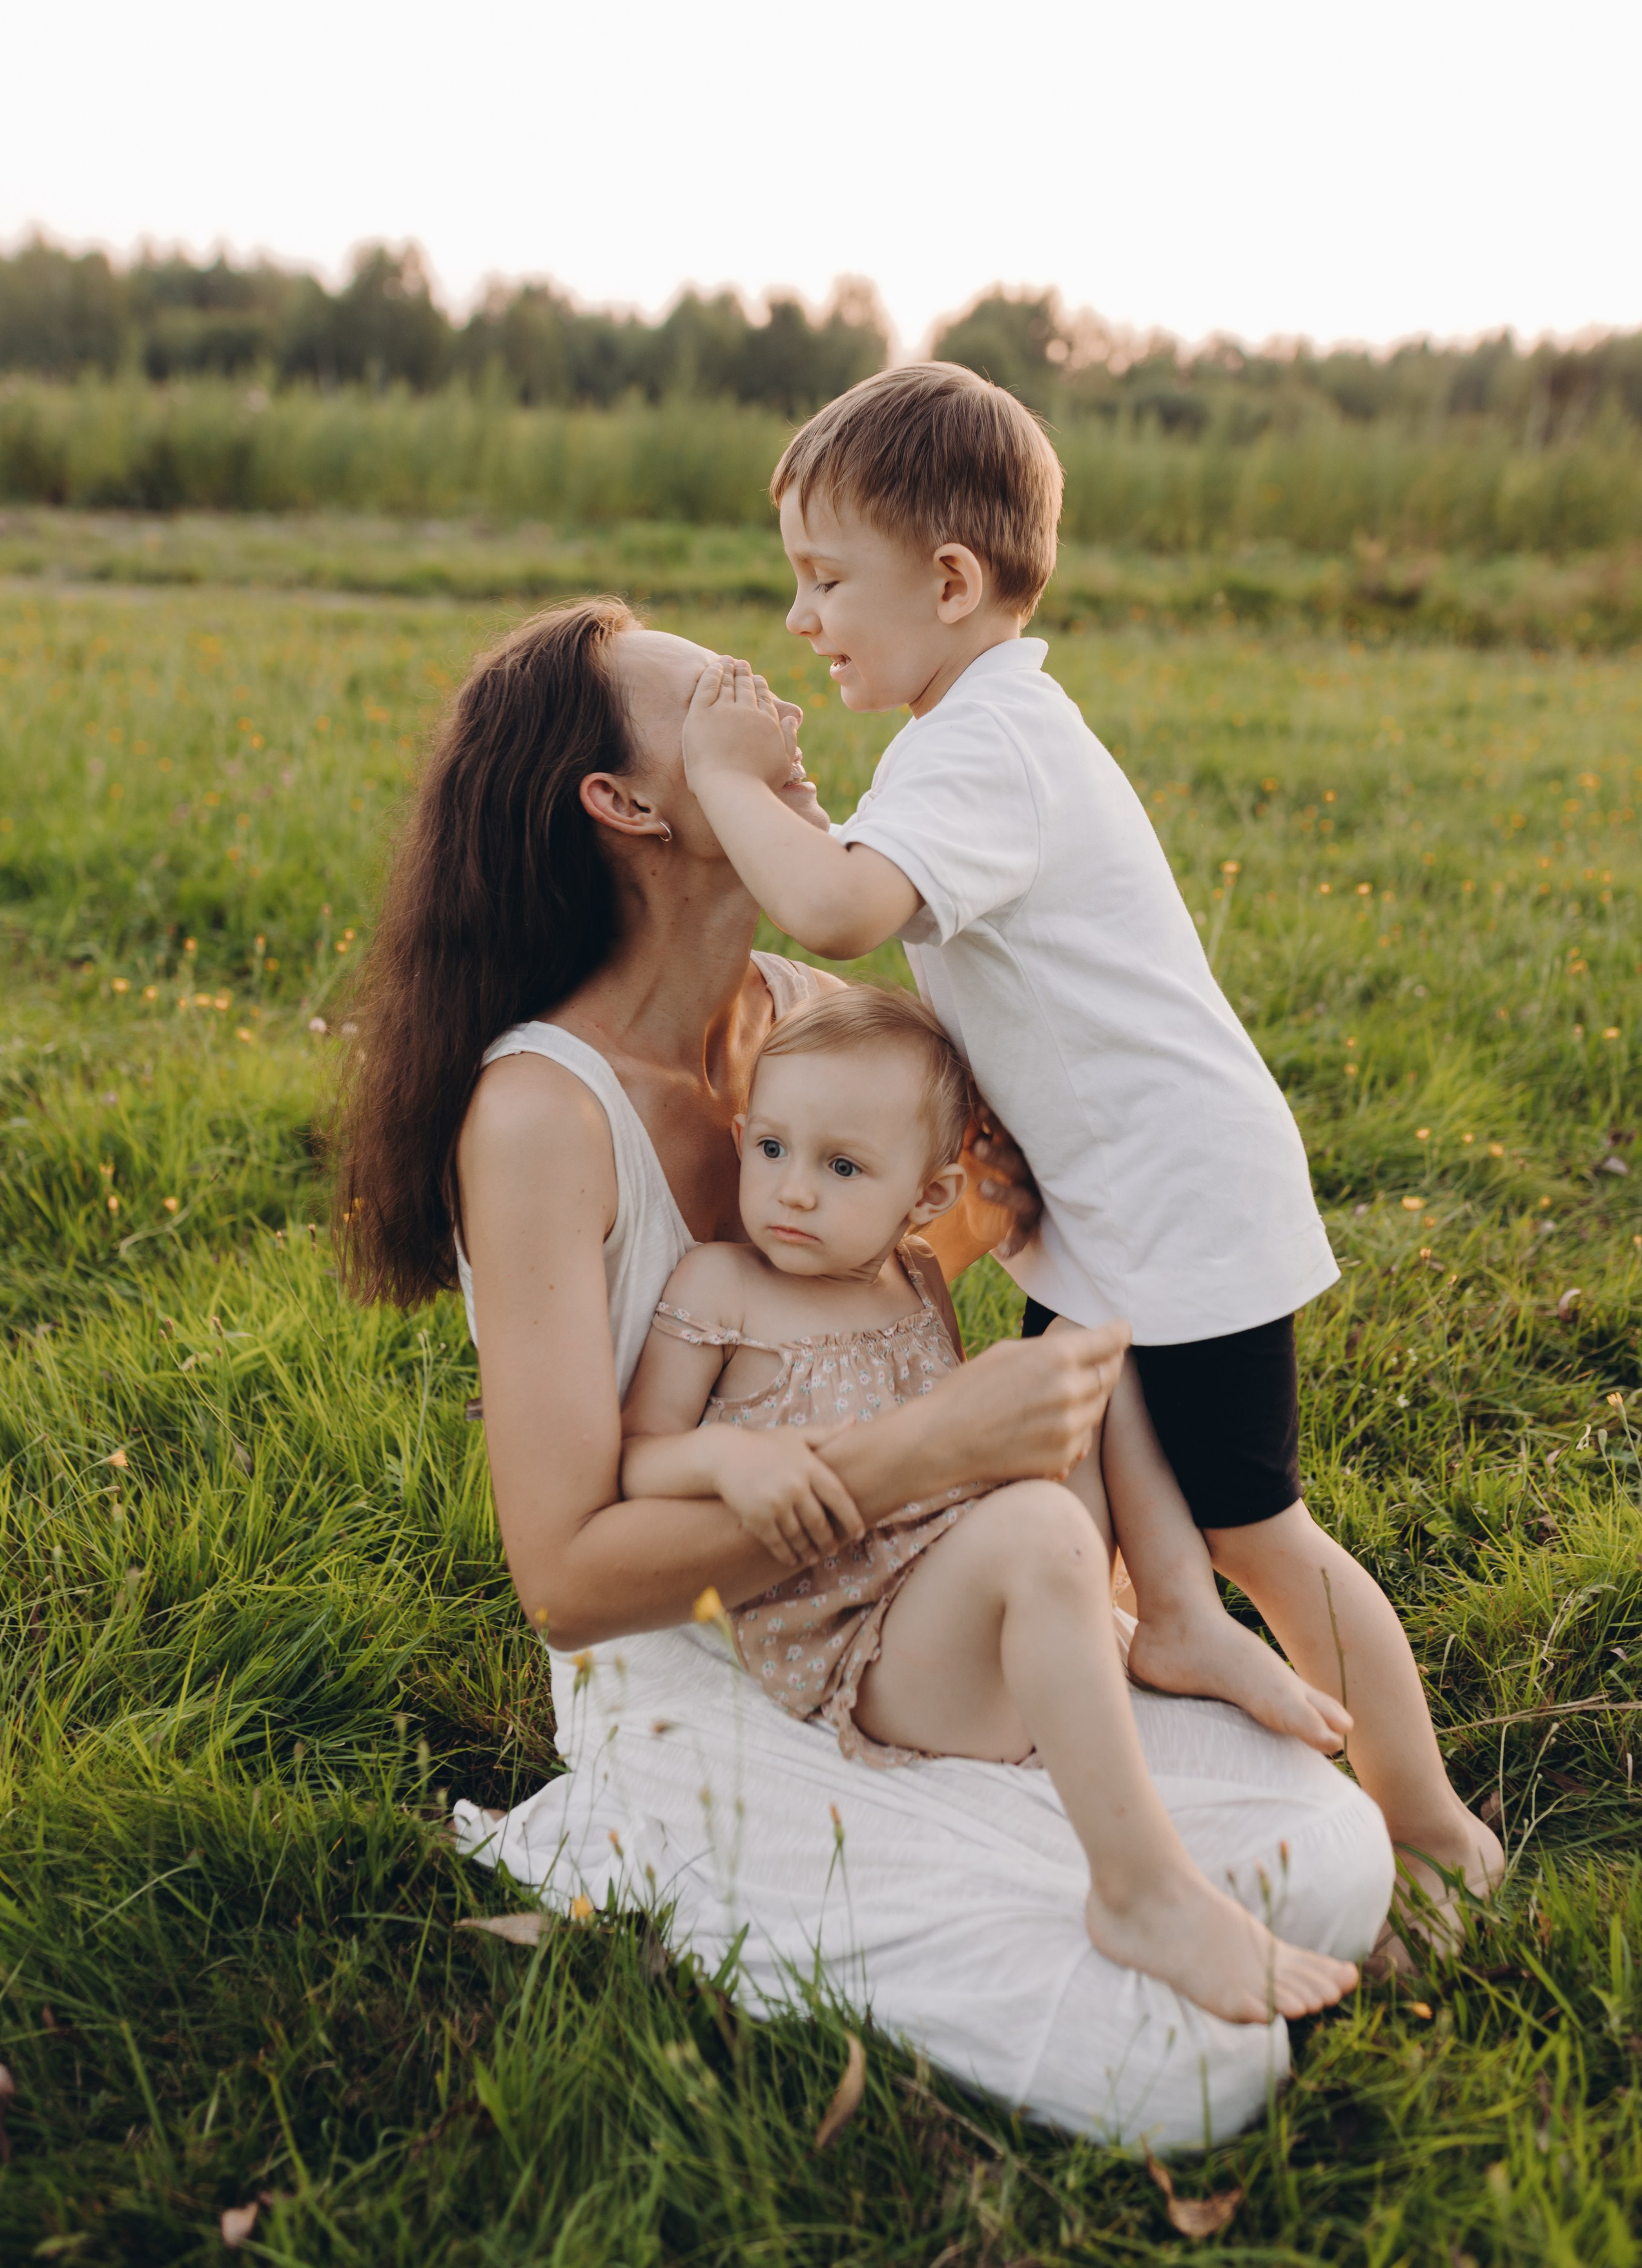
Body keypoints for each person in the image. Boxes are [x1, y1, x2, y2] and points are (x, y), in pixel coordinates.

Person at [335, 594, 1393, 2149]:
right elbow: (565, 1580)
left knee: (1337, 1857)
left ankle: (1110, 1869)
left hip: (914, 1604)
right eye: (721, 701)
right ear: (625, 806)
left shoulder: (806, 1030)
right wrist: (919, 1456)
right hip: (700, 1674)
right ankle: (892, 1871)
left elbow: (830, 1325)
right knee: (1191, 2074)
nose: (780, 706)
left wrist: (955, 1234)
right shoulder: (541, 1116)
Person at [677, 361, 1501, 1946]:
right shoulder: (968, 730)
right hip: (1110, 1205)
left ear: (949, 581)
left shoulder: (989, 745)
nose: (799, 619)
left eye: (822, 580)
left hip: (1177, 1204)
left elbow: (840, 903)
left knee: (1251, 1517)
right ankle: (1155, 1687)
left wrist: (723, 781)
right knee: (1074, 1489)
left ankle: (1428, 1821)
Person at [621, 981, 1359, 2024]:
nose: (793, 1193)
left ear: (924, 1199)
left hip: (966, 1598)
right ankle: (1143, 1892)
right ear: (740, 1136)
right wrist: (725, 1465)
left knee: (1088, 1340)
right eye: (773, 1149)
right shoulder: (718, 1289)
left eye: (843, 1168)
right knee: (1035, 1525)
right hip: (869, 1653)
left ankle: (1176, 1613)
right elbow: (640, 1458)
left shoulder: (916, 1276)